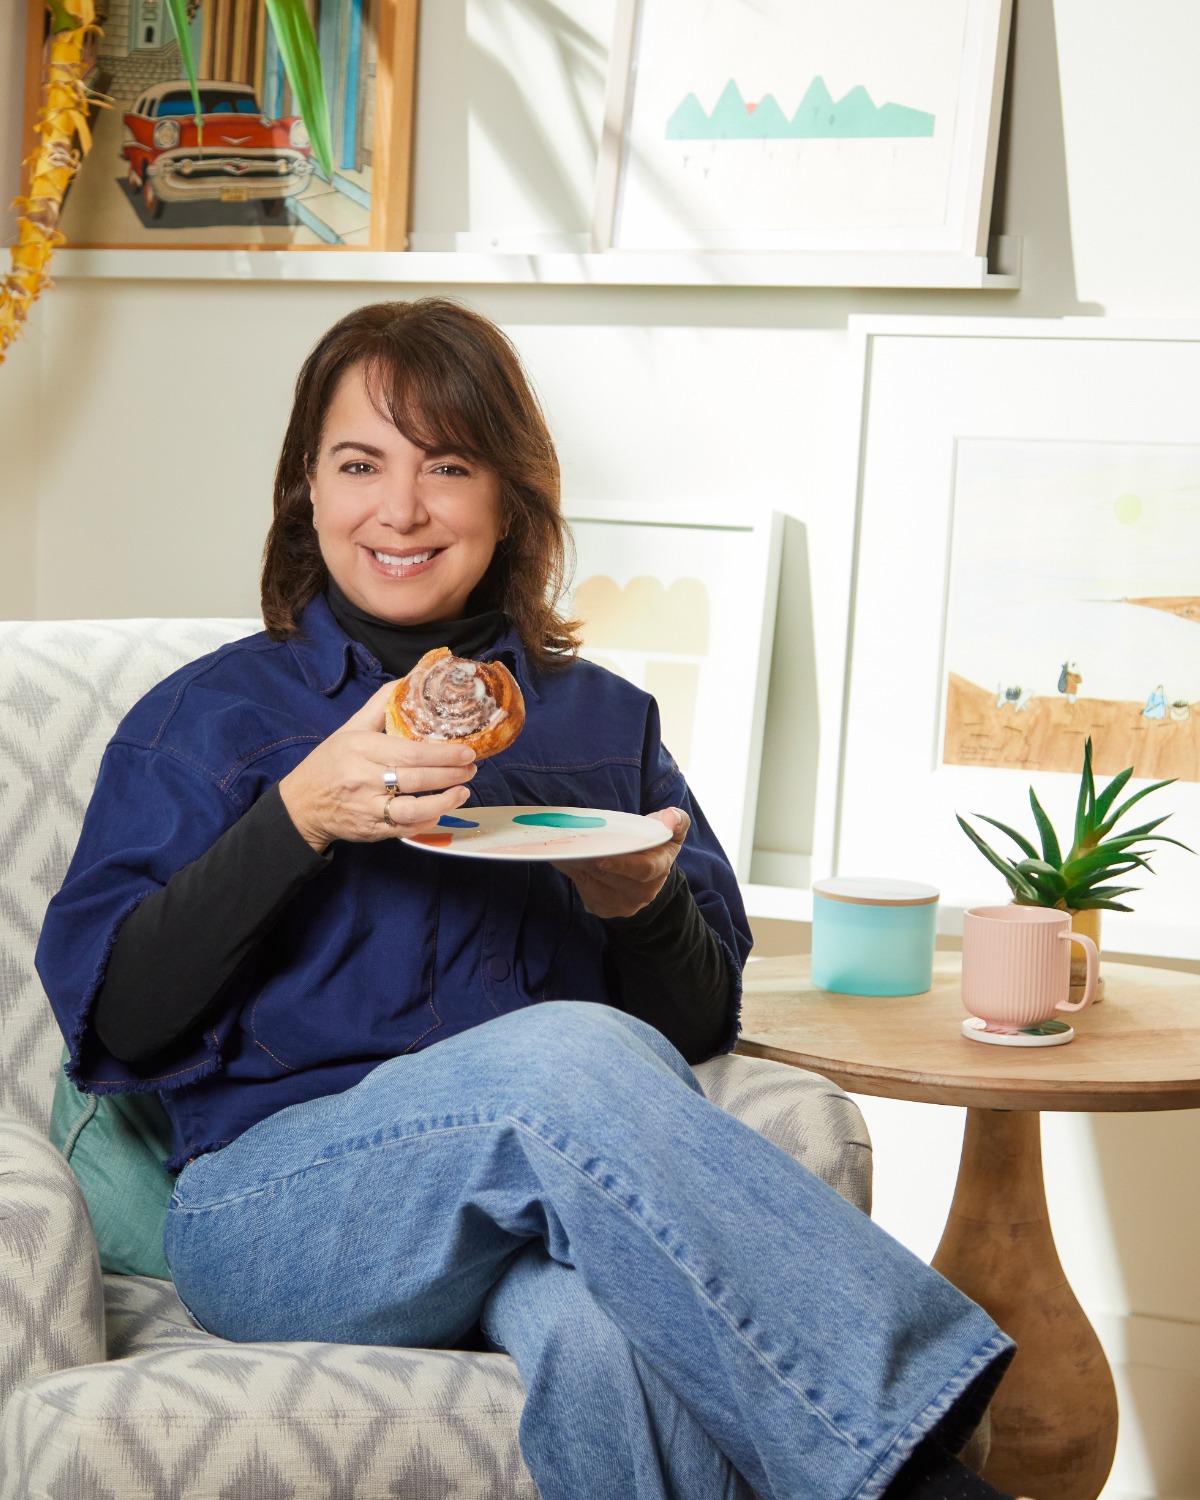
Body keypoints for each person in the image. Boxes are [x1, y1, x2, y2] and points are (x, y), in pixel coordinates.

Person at [38, 299, 1023, 1500]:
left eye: (448, 466)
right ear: (307, 491)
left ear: (512, 499)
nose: (402, 509)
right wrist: (297, 817)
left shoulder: (602, 723)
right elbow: (118, 1024)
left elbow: (697, 1027)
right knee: (566, 1053)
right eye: (361, 464)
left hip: (536, 1207)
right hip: (275, 1215)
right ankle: (923, 1462)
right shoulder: (209, 718)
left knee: (608, 1335)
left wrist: (640, 904)